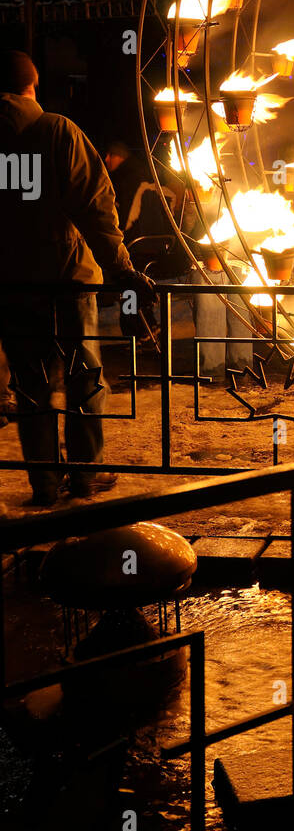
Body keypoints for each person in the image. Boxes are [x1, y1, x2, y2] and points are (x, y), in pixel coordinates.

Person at [0, 50, 154, 505]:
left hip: (11, 284)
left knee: (30, 385)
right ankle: (86, 474)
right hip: (66, 279)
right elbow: (96, 210)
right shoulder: (57, 132)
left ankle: (44, 484)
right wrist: (123, 270)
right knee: (83, 374)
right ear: (34, 84)